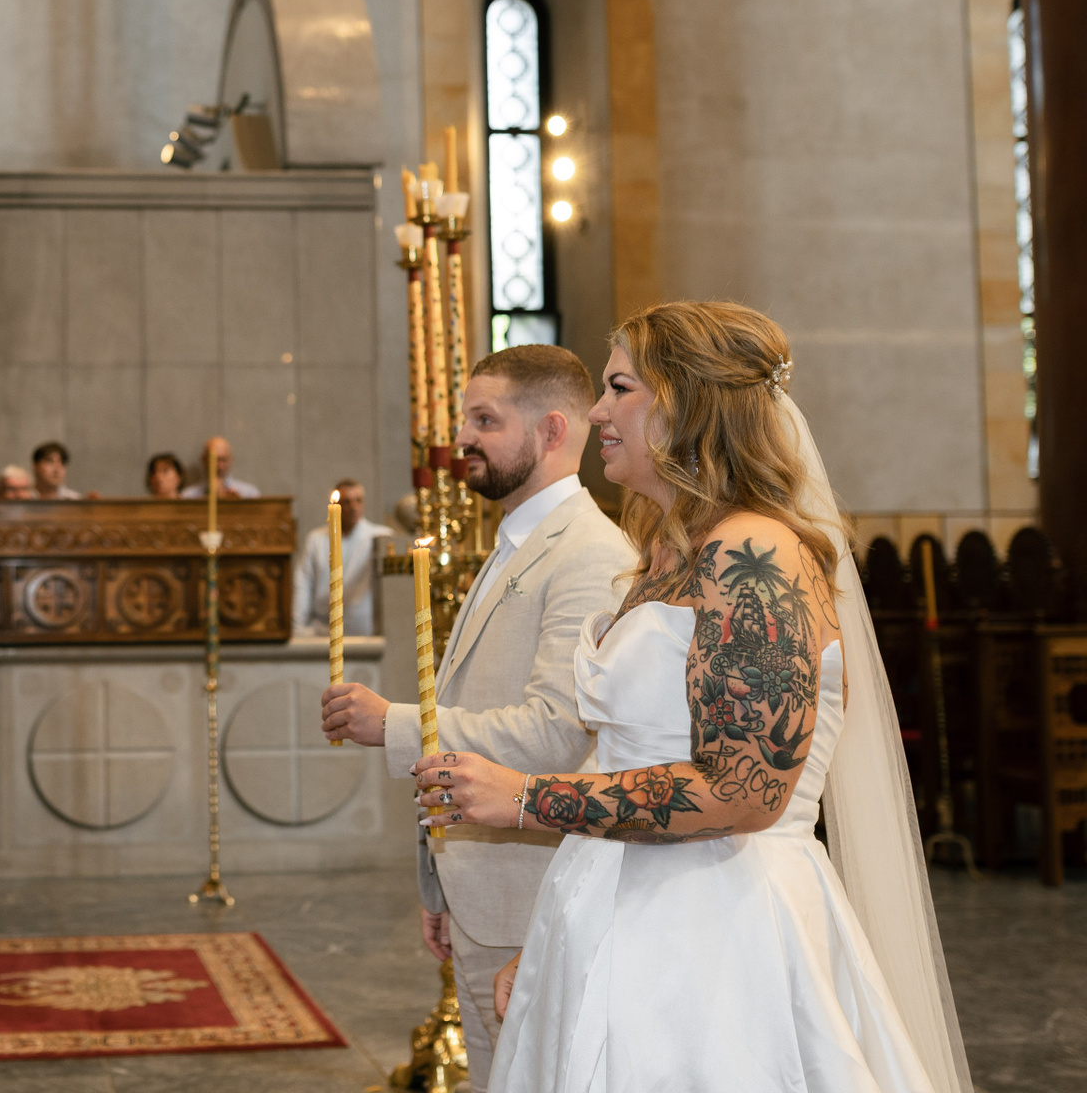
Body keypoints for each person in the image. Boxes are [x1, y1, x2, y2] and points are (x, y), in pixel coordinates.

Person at [416, 303, 969, 1093]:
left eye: (620, 388)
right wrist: (556, 939)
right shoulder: (670, 552)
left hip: (718, 932)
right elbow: (631, 750)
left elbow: (746, 790)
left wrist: (529, 797)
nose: (597, 413)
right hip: (615, 902)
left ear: (688, 402)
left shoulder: (755, 557)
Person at [319, 345, 631, 1090]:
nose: (461, 438)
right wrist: (442, 884)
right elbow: (475, 705)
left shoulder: (587, 554)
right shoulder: (517, 541)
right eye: (465, 418)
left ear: (551, 431)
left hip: (535, 894)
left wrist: (392, 724)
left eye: (485, 420)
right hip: (485, 891)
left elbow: (556, 730)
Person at [291, 478, 391, 637]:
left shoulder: (380, 537)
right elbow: (303, 582)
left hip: (363, 627)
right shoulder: (316, 539)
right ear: (336, 504)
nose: (354, 507)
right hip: (323, 626)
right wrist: (297, 625)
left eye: (358, 501)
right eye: (347, 502)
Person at [180, 436, 260, 499]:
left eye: (223, 459)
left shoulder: (249, 494)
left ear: (230, 459)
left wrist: (238, 504)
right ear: (204, 459)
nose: (220, 465)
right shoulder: (188, 496)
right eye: (215, 460)